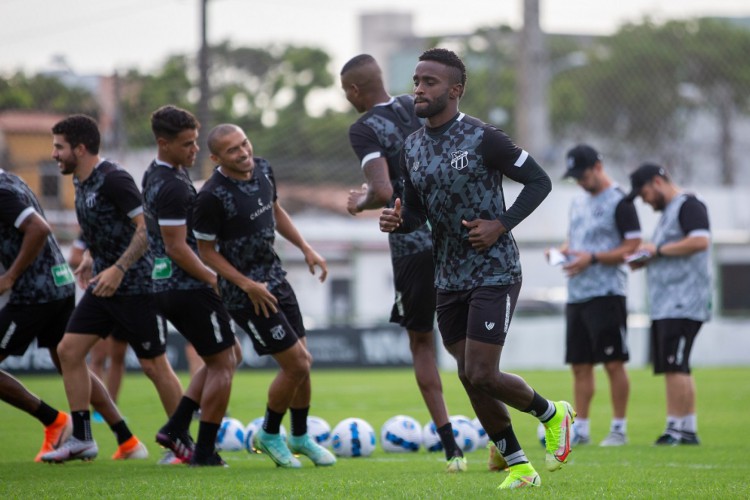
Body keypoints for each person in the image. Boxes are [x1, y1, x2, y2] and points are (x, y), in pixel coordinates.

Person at [379, 48, 573, 490]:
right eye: (416, 81)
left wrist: (501, 224)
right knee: (470, 377)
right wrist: (398, 220)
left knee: (483, 371)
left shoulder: (485, 138)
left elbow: (540, 181)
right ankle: (521, 467)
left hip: (495, 270)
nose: (419, 89)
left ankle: (553, 414)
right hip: (447, 276)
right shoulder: (410, 146)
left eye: (429, 82)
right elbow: (413, 212)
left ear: (455, 90)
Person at [340, 54, 464, 471]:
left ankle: (451, 448)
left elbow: (382, 189)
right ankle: (499, 438)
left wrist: (359, 202)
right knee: (466, 341)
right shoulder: (419, 106)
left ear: (355, 90)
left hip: (412, 242)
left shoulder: (364, 128)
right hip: (455, 234)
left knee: (422, 341)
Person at [42, 114, 184, 462]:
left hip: (136, 286)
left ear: (80, 147)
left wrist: (119, 268)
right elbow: (105, 227)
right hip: (103, 286)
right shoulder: (80, 181)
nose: (54, 154)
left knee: (154, 366)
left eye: (59, 147)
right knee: (69, 351)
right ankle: (83, 439)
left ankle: (184, 443)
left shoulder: (114, 178)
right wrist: (92, 255)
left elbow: (145, 229)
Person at [193, 123, 335, 468]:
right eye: (232, 150)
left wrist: (305, 247)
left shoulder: (264, 168)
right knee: (297, 363)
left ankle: (299, 437)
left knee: (303, 362)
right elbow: (206, 251)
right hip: (247, 294)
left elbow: (275, 209)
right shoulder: (211, 196)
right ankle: (270, 434)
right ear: (216, 158)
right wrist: (247, 284)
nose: (243, 153)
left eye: (244, 144)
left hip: (276, 279)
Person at [142, 105, 241, 466]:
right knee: (223, 364)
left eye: (196, 142)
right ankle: (203, 451)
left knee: (228, 358)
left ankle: (177, 426)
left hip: (168, 286)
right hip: (186, 287)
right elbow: (177, 247)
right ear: (163, 143)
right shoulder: (170, 186)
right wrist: (214, 278)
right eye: (186, 144)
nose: (195, 150)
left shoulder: (156, 173)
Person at [550, 144, 642, 447]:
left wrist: (592, 258)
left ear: (598, 167)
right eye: (575, 176)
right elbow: (574, 239)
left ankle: (618, 428)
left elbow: (633, 247)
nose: (579, 181)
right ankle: (582, 429)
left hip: (607, 293)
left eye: (583, 174)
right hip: (577, 294)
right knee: (579, 364)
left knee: (613, 362)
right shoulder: (577, 202)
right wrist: (563, 253)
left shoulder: (621, 201)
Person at [625, 163, 711, 446]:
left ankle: (674, 430)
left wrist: (658, 250)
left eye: (645, 193)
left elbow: (700, 240)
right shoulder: (670, 213)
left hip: (683, 301)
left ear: (657, 182)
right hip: (668, 303)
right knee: (678, 365)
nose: (645, 200)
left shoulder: (689, 204)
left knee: (674, 365)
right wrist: (648, 258)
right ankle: (687, 429)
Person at [0, 167, 73, 462]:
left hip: (35, 293)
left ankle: (54, 421)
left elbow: (39, 228)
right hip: (56, 285)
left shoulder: (2, 191)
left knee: (70, 362)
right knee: (70, 363)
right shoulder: (12, 179)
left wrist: (10, 276)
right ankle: (125, 438)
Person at [69, 237, 129, 423]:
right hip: (99, 295)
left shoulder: (127, 229)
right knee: (98, 356)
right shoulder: (91, 225)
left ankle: (112, 406)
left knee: (118, 356)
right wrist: (100, 261)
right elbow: (73, 258)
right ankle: (98, 408)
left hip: (125, 295)